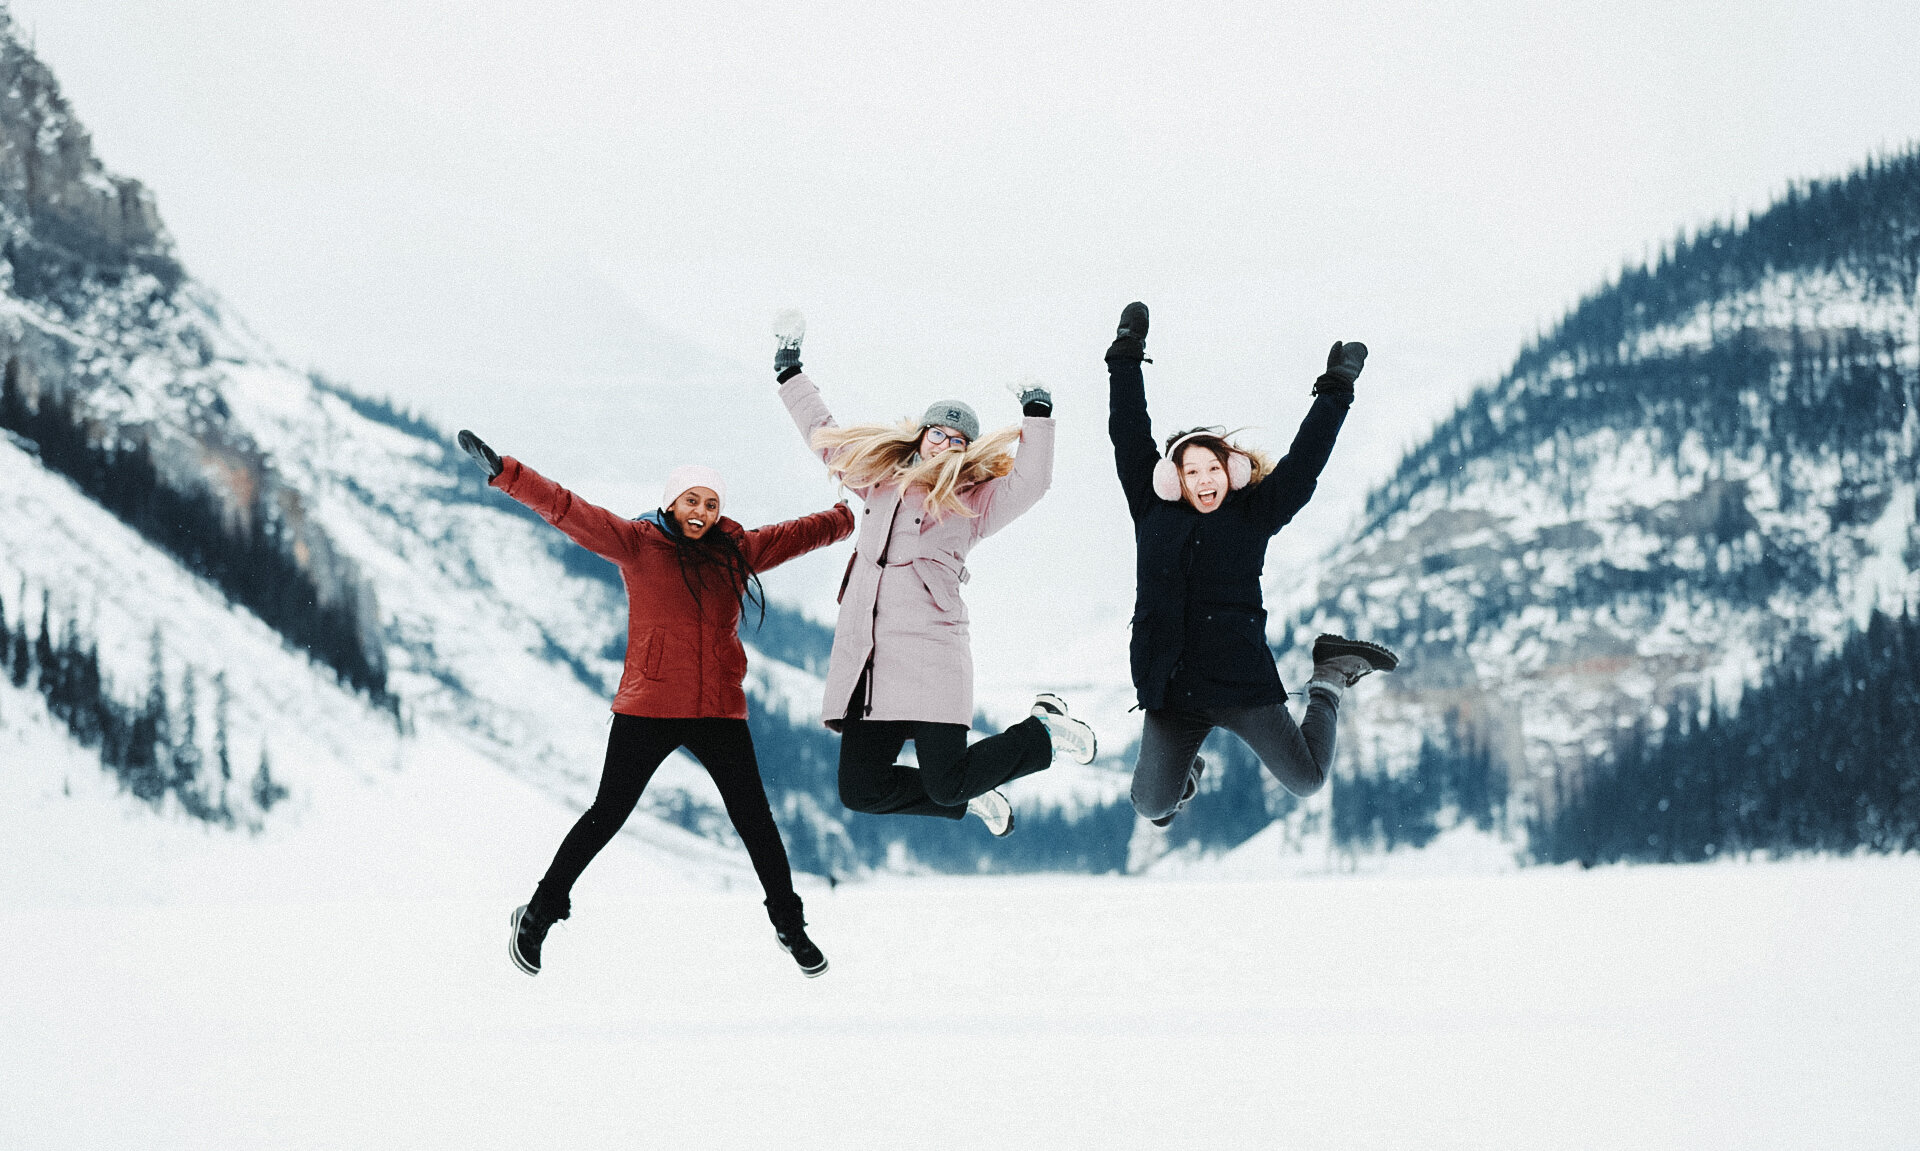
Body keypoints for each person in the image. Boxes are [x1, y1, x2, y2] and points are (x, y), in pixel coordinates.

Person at [455, 428, 854, 978]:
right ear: (671, 501)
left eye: (712, 504)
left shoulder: (735, 553)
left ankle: (791, 927)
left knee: (756, 821)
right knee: (607, 815)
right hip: (647, 709)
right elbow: (570, 509)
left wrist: (850, 514)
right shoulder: (637, 544)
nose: (702, 511)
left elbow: (798, 533)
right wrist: (507, 473)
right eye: (692, 500)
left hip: (718, 712)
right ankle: (538, 915)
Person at [770, 310, 1097, 838]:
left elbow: (1031, 483)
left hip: (932, 657)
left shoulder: (972, 502)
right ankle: (975, 802)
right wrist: (790, 371)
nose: (945, 444)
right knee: (861, 790)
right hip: (869, 662)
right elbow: (824, 436)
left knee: (947, 780)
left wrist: (1036, 409)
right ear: (921, 436)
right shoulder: (876, 481)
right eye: (938, 433)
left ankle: (1043, 733)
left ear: (967, 451)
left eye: (957, 439)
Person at [1102, 301, 1399, 828]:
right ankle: (1181, 771)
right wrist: (1126, 356)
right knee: (1151, 805)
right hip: (1174, 691)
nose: (1203, 480)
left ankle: (1329, 674)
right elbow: (1128, 430)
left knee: (1308, 780)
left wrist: (1335, 393)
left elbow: (1304, 466)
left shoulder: (1252, 513)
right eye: (1190, 471)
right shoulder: (1151, 510)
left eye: (1212, 468)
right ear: (1175, 479)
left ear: (1230, 471)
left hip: (1241, 684)